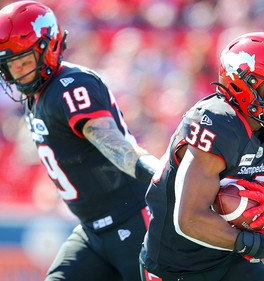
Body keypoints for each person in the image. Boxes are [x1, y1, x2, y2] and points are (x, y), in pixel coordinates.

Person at [140, 32, 264, 281]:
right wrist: (251, 243)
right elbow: (190, 219)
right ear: (243, 84)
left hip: (230, 258)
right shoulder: (217, 123)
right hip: (177, 264)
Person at [0, 1, 158, 281]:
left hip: (132, 222)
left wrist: (162, 175)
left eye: (25, 60)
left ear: (49, 48)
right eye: (11, 65)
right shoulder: (36, 95)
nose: (19, 72)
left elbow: (117, 145)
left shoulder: (71, 87)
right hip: (91, 230)